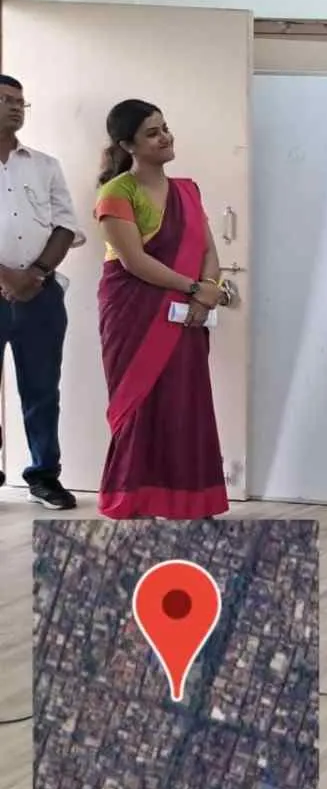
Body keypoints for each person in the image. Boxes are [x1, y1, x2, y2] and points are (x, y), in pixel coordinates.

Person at [93, 99, 229, 519]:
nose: (165, 137)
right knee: (140, 401)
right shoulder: (117, 192)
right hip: (134, 311)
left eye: (165, 128)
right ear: (126, 145)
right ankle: (133, 497)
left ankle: (190, 499)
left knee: (185, 401)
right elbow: (134, 261)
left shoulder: (188, 190)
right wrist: (194, 289)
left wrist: (208, 290)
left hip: (188, 309)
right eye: (152, 133)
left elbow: (207, 250)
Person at [0, 75, 84, 509]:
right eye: (5, 99)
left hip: (41, 295)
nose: (16, 107)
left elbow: (66, 225)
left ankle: (44, 476)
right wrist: (6, 277)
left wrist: (35, 273)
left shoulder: (45, 165)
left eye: (20, 101)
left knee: (42, 389)